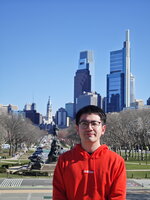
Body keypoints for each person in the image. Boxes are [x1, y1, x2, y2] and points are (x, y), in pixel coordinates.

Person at [53, 105, 126, 200]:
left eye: (94, 123)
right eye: (84, 123)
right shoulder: (64, 160)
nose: (89, 128)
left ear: (103, 129)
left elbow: (118, 197)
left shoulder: (116, 161)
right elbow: (58, 195)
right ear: (77, 129)